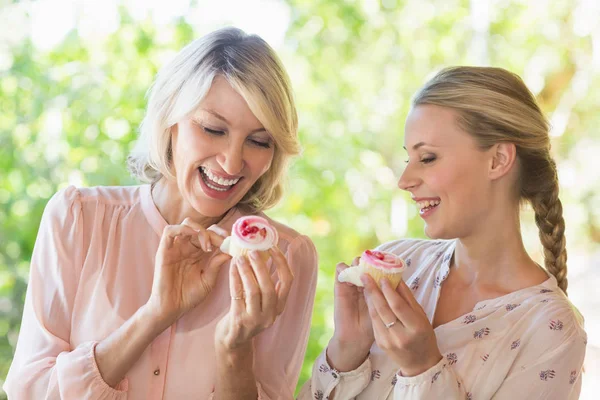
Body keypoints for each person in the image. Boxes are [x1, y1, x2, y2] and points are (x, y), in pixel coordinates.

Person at [4, 27, 318, 399]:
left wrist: (235, 350)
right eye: (213, 129)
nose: (232, 162)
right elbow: (31, 391)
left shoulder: (287, 258)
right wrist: (154, 314)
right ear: (170, 119)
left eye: (258, 140)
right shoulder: (77, 220)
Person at [300, 66, 586, 399]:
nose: (404, 180)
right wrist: (346, 350)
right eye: (409, 158)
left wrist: (424, 368)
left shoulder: (551, 331)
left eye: (428, 158)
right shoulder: (401, 263)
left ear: (498, 160)